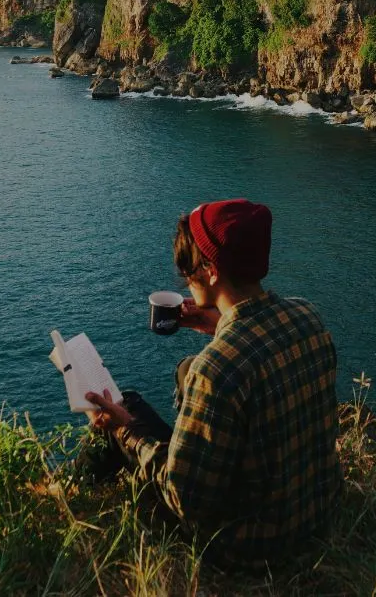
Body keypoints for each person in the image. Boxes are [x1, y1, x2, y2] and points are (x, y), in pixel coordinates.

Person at [85, 198, 341, 571]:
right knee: (185, 370)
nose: (184, 277)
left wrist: (126, 432)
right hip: (318, 513)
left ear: (211, 270)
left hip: (252, 547)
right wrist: (218, 324)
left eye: (187, 267)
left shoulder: (216, 370)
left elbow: (183, 500)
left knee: (126, 410)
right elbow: (258, 351)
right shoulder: (308, 314)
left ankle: (72, 495)